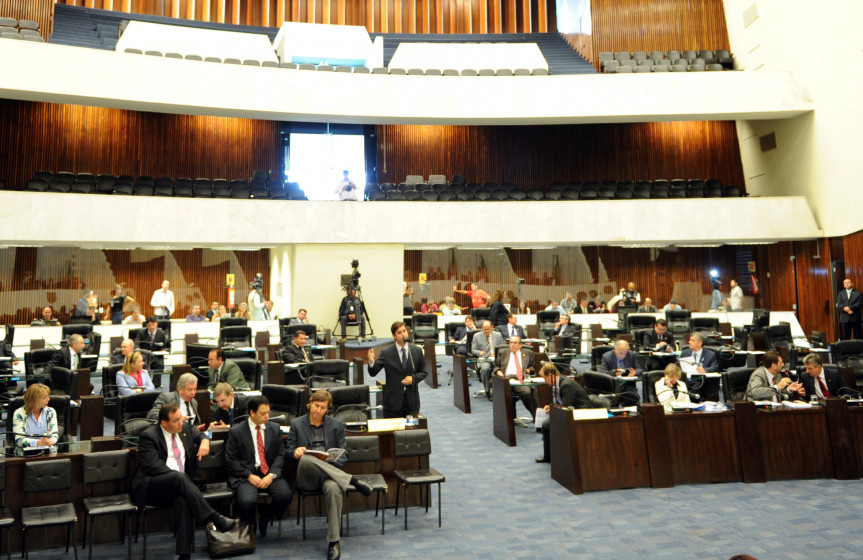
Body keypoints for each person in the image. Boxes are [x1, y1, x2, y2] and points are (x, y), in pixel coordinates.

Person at [132, 403, 238, 560]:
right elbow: (153, 467)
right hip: (153, 486)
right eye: (176, 421)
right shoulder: (149, 436)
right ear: (164, 423)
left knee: (184, 500)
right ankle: (215, 518)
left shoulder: (185, 429)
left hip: (181, 486)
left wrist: (205, 441)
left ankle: (184, 554)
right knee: (179, 478)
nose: (181, 423)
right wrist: (180, 479)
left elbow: (201, 435)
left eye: (181, 419)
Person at [286, 390, 373, 560]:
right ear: (310, 404)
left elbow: (344, 455)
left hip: (329, 475)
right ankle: (353, 480)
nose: (318, 410)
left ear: (328, 409)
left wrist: (331, 460)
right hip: (306, 476)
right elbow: (287, 452)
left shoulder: (336, 425)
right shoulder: (296, 424)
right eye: (316, 406)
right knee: (306, 459)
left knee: (334, 488)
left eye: (322, 407)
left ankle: (334, 542)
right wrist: (295, 452)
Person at [225, 395, 292, 537]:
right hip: (246, 475)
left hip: (268, 473)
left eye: (268, 412)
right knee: (247, 502)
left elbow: (281, 455)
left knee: (285, 495)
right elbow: (231, 460)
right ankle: (251, 523)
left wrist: (271, 475)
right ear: (252, 413)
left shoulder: (274, 428)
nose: (267, 416)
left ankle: (266, 513)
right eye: (263, 413)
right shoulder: (237, 431)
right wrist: (249, 476)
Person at [367, 321, 429, 418]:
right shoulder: (386, 352)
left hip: (411, 401)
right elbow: (373, 372)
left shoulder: (417, 351)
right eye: (399, 332)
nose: (403, 334)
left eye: (404, 331)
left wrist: (413, 379)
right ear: (394, 335)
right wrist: (371, 362)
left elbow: (424, 372)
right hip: (393, 402)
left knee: (411, 431)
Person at [535, 363, 593, 463]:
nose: (545, 382)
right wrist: (551, 406)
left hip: (582, 411)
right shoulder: (560, 382)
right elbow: (561, 402)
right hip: (572, 409)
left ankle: (548, 456)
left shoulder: (566, 384)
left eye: (545, 379)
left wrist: (554, 409)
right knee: (547, 424)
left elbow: (566, 407)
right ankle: (551, 454)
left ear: (550, 376)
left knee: (546, 425)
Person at [493, 335, 536, 416]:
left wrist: (528, 370)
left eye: (515, 343)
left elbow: (533, 367)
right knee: (505, 394)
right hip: (505, 379)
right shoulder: (502, 352)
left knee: (527, 392)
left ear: (520, 345)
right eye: (511, 342)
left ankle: (536, 417)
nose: (512, 344)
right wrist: (499, 372)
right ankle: (508, 420)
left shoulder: (528, 353)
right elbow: (496, 366)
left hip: (519, 379)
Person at [12, 383, 58, 453]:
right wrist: (39, 442)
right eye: (44, 397)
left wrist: (50, 441)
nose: (48, 399)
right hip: (26, 454)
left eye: (48, 396)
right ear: (34, 400)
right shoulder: (19, 413)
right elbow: (19, 440)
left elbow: (55, 435)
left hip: (47, 451)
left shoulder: (50, 412)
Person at [599, 340, 642, 405]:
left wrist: (634, 372)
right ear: (615, 349)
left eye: (625, 353)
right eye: (621, 353)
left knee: (635, 397)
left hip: (626, 385)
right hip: (612, 385)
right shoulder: (606, 356)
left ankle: (625, 411)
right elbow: (603, 372)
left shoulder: (631, 355)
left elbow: (639, 369)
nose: (623, 355)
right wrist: (614, 373)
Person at [470, 320, 504, 395]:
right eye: (484, 329)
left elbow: (502, 348)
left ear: (492, 327)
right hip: (484, 359)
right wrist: (480, 352)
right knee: (485, 369)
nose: (486, 331)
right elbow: (473, 350)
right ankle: (488, 390)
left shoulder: (498, 335)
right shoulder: (476, 336)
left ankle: (503, 390)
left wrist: (497, 353)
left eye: (488, 329)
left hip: (496, 358)